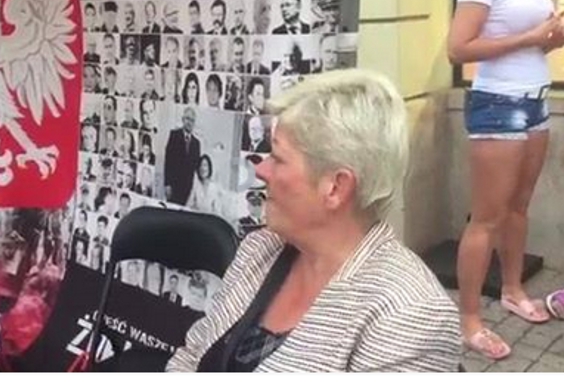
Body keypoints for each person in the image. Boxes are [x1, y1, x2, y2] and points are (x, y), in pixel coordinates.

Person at [166, 69, 460, 372]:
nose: (261, 170)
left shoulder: (408, 316)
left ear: (336, 187)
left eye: (278, 158)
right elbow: (192, 355)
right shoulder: (260, 248)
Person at [448, 0, 564, 360]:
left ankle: (512, 291)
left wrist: (553, 39)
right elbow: (458, 49)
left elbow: (537, 46)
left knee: (518, 207)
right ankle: (469, 321)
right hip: (498, 102)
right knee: (487, 218)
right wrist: (530, 36)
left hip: (536, 100)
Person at [164, 107, 201, 205]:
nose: (189, 122)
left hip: (188, 188)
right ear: (183, 119)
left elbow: (196, 166)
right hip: (174, 186)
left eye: (192, 120)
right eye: (187, 119)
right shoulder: (174, 135)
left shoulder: (197, 143)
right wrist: (167, 184)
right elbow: (168, 161)